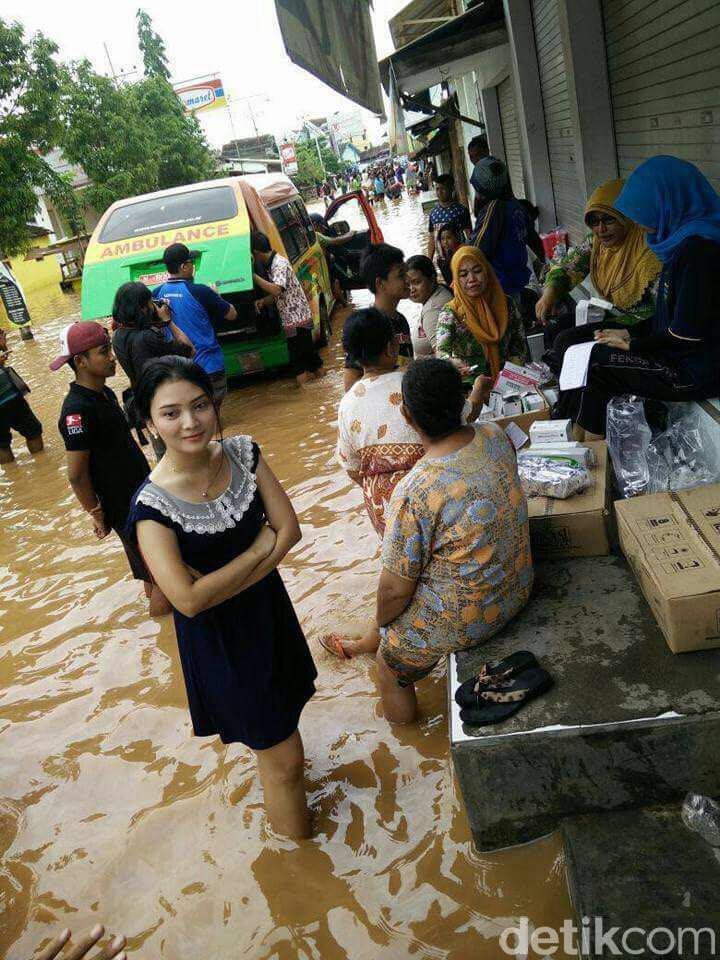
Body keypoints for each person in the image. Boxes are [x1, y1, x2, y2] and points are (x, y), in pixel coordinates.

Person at [128, 356, 317, 839]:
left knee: (282, 734)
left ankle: (292, 839)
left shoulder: (242, 453)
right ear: (149, 422)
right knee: (286, 760)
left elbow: (290, 530)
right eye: (171, 413)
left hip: (271, 617)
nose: (190, 422)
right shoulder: (152, 508)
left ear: (214, 405)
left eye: (199, 406)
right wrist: (257, 549)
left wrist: (225, 580)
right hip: (223, 646)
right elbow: (186, 602)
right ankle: (301, 857)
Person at [374, 358, 533, 724]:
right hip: (520, 588)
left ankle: (407, 738)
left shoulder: (416, 488)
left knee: (387, 666)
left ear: (408, 417)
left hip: (476, 619)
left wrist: (383, 628)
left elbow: (395, 591)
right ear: (460, 400)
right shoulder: (494, 434)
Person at [332, 310, 488, 661]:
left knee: (401, 573)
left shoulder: (347, 403)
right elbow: (461, 421)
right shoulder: (413, 385)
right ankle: (375, 640)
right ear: (392, 346)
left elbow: (351, 467)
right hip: (432, 498)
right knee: (421, 576)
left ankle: (370, 640)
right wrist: (477, 393)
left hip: (383, 506)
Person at [554, 156, 720, 439]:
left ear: (668, 201)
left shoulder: (699, 251)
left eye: (644, 210)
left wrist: (633, 344)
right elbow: (669, 316)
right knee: (581, 351)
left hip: (695, 371)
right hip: (677, 355)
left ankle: (588, 457)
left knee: (595, 364)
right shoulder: (678, 242)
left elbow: (685, 336)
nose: (639, 223)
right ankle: (570, 441)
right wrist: (627, 333)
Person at [52, 321, 168, 616]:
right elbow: (76, 474)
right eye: (104, 352)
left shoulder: (104, 394)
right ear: (81, 361)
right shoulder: (76, 411)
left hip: (138, 492)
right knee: (164, 575)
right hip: (123, 503)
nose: (112, 357)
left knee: (149, 571)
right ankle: (165, 632)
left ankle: (158, 636)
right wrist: (96, 514)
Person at [536, 179, 662, 363]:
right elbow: (569, 266)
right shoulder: (597, 243)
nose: (601, 229)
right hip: (616, 317)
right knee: (554, 329)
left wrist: (629, 334)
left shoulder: (648, 249)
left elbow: (665, 314)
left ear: (626, 216)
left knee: (566, 342)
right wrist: (551, 291)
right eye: (594, 222)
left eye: (609, 219)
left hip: (643, 327)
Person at [153, 242, 236, 405]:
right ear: (184, 266)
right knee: (213, 416)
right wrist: (216, 296)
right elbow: (232, 315)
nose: (193, 267)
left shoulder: (156, 294)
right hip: (209, 366)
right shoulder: (201, 291)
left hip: (178, 372)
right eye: (192, 263)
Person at [436, 246, 529, 379]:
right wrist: (452, 362)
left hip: (508, 381)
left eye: (477, 271)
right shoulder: (450, 313)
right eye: (463, 274)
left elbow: (519, 344)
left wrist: (510, 376)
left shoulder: (506, 304)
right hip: (469, 387)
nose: (472, 278)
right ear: (456, 279)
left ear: (487, 271)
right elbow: (441, 353)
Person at [250, 231, 325, 386]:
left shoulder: (278, 264)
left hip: (296, 320)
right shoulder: (274, 264)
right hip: (296, 319)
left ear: (256, 252)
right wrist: (264, 301)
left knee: (298, 362)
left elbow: (277, 290)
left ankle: (307, 398)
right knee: (310, 358)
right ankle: (322, 388)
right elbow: (281, 292)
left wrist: (253, 277)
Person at [343, 243, 413, 392]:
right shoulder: (366, 326)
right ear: (380, 283)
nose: (408, 279)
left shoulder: (401, 320)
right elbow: (350, 387)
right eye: (401, 275)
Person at [470, 156, 533, 298]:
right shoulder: (515, 205)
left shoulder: (493, 209)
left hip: (502, 286)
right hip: (519, 281)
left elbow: (476, 250)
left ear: (481, 188)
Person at [0, 328, 43, 464]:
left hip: (7, 394)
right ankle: (42, 466)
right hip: (8, 396)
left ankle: (14, 476)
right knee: (33, 431)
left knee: (1, 443)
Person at [405, 255, 452, 357]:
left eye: (417, 282)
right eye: (408, 284)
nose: (411, 289)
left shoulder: (433, 310)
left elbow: (444, 356)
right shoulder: (441, 291)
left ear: (432, 278)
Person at [427, 175, 472, 262]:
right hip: (442, 260)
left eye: (443, 189)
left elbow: (469, 235)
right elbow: (432, 238)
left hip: (459, 257)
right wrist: (429, 261)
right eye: (437, 189)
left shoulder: (461, 210)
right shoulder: (433, 213)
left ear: (451, 189)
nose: (439, 192)